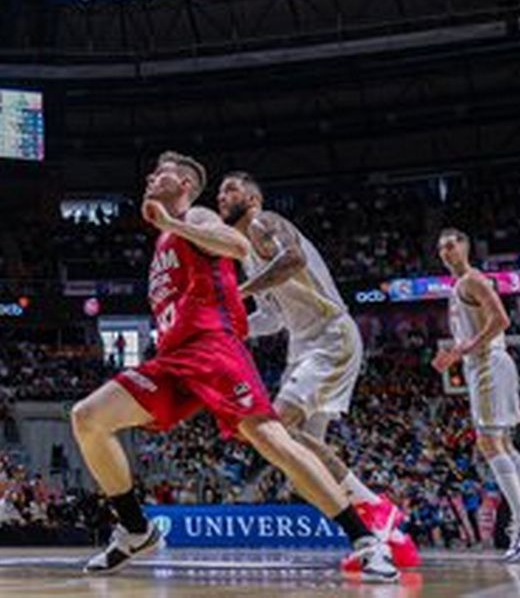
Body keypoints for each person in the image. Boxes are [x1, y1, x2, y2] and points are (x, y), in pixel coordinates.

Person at [72, 154, 397, 581]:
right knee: (88, 417)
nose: (150, 177)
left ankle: (365, 540)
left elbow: (238, 246)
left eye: (161, 173)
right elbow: (261, 314)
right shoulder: (163, 240)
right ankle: (136, 529)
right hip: (173, 358)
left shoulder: (197, 217)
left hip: (213, 349)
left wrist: (173, 224)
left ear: (185, 185)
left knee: (272, 438)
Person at [146, 170, 417, 568]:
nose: (222, 196)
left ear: (253, 198)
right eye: (220, 191)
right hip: (303, 345)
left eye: (231, 189)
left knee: (280, 428)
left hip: (330, 336)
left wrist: (239, 292)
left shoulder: (264, 222)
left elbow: (294, 259)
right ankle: (390, 540)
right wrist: (225, 325)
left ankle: (376, 508)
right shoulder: (246, 256)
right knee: (303, 466)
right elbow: (271, 319)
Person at [431, 228, 520, 561]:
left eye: (452, 245)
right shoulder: (459, 286)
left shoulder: (473, 280)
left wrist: (466, 348)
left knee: (489, 442)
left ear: (465, 247)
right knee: (501, 444)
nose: (447, 252)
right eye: (442, 248)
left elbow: (501, 320)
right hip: (484, 364)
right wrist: (456, 353)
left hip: (488, 364)